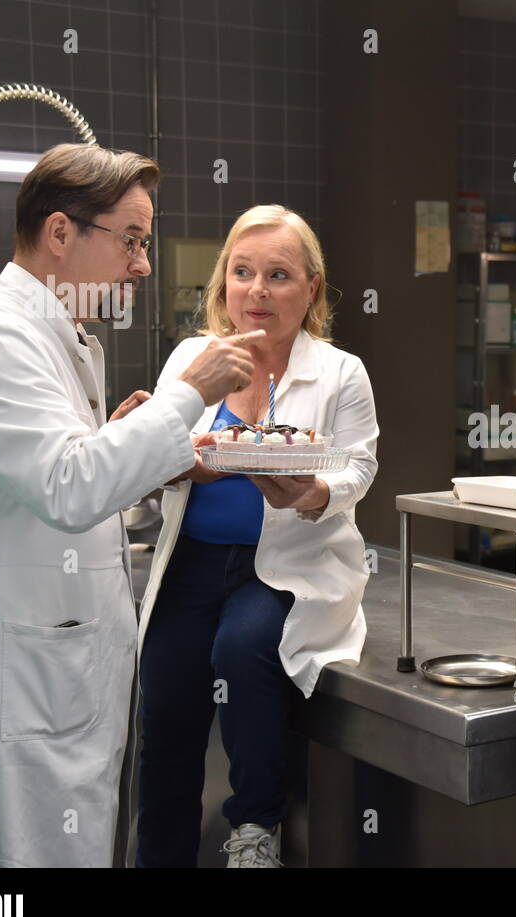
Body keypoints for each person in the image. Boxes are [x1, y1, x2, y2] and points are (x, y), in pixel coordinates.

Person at [0, 144, 260, 867]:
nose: (142, 264)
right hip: (2, 688)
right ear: (60, 233)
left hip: (48, 684)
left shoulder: (59, 340)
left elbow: (51, 475)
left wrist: (149, 457)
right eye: (133, 240)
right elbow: (68, 484)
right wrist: (188, 396)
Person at [134, 204, 378, 868]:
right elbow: (156, 449)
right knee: (168, 692)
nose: (257, 291)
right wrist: (184, 461)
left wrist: (314, 492)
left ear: (312, 289)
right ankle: (162, 850)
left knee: (243, 650)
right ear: (223, 284)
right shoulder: (192, 357)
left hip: (283, 565)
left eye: (278, 274)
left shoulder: (338, 373)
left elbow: (358, 463)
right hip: (191, 562)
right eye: (242, 273)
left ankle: (254, 827)